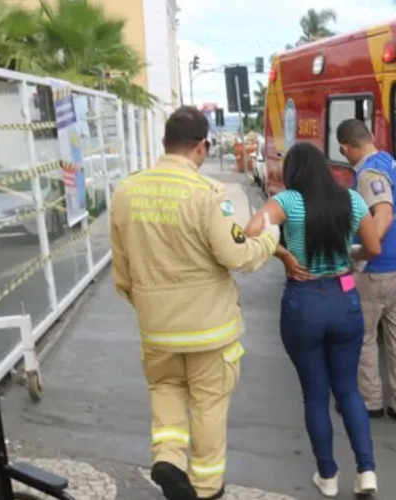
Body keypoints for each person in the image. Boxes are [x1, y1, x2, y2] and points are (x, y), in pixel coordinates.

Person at [110, 106, 281, 500]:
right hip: (209, 333)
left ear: (165, 143)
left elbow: (123, 270)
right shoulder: (208, 196)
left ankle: (168, 457)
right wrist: (269, 239)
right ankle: (205, 489)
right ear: (202, 146)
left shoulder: (126, 192)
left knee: (166, 391)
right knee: (208, 407)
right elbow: (237, 256)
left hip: (157, 330)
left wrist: (148, 306)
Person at [245, 142, 382, 498]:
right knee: (349, 390)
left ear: (294, 171)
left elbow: (251, 230)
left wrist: (284, 254)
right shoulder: (351, 200)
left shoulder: (289, 201)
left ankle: (328, 476)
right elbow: (373, 248)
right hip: (344, 298)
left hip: (303, 302)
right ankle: (366, 470)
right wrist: (351, 253)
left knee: (315, 396)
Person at [335, 118, 396, 428]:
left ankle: (370, 402)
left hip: (378, 271)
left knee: (364, 336)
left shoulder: (369, 173)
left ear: (345, 148)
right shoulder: (391, 163)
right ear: (370, 136)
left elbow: (382, 213)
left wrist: (366, 251)